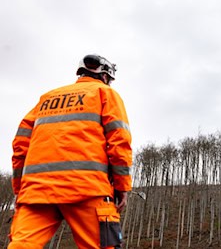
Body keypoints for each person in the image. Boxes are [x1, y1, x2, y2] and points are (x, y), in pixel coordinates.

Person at [9, 54, 132, 249]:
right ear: (106, 77)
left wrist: (20, 190)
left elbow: (20, 145)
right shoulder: (105, 93)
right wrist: (122, 187)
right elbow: (119, 142)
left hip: (36, 192)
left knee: (22, 245)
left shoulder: (46, 98)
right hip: (87, 189)